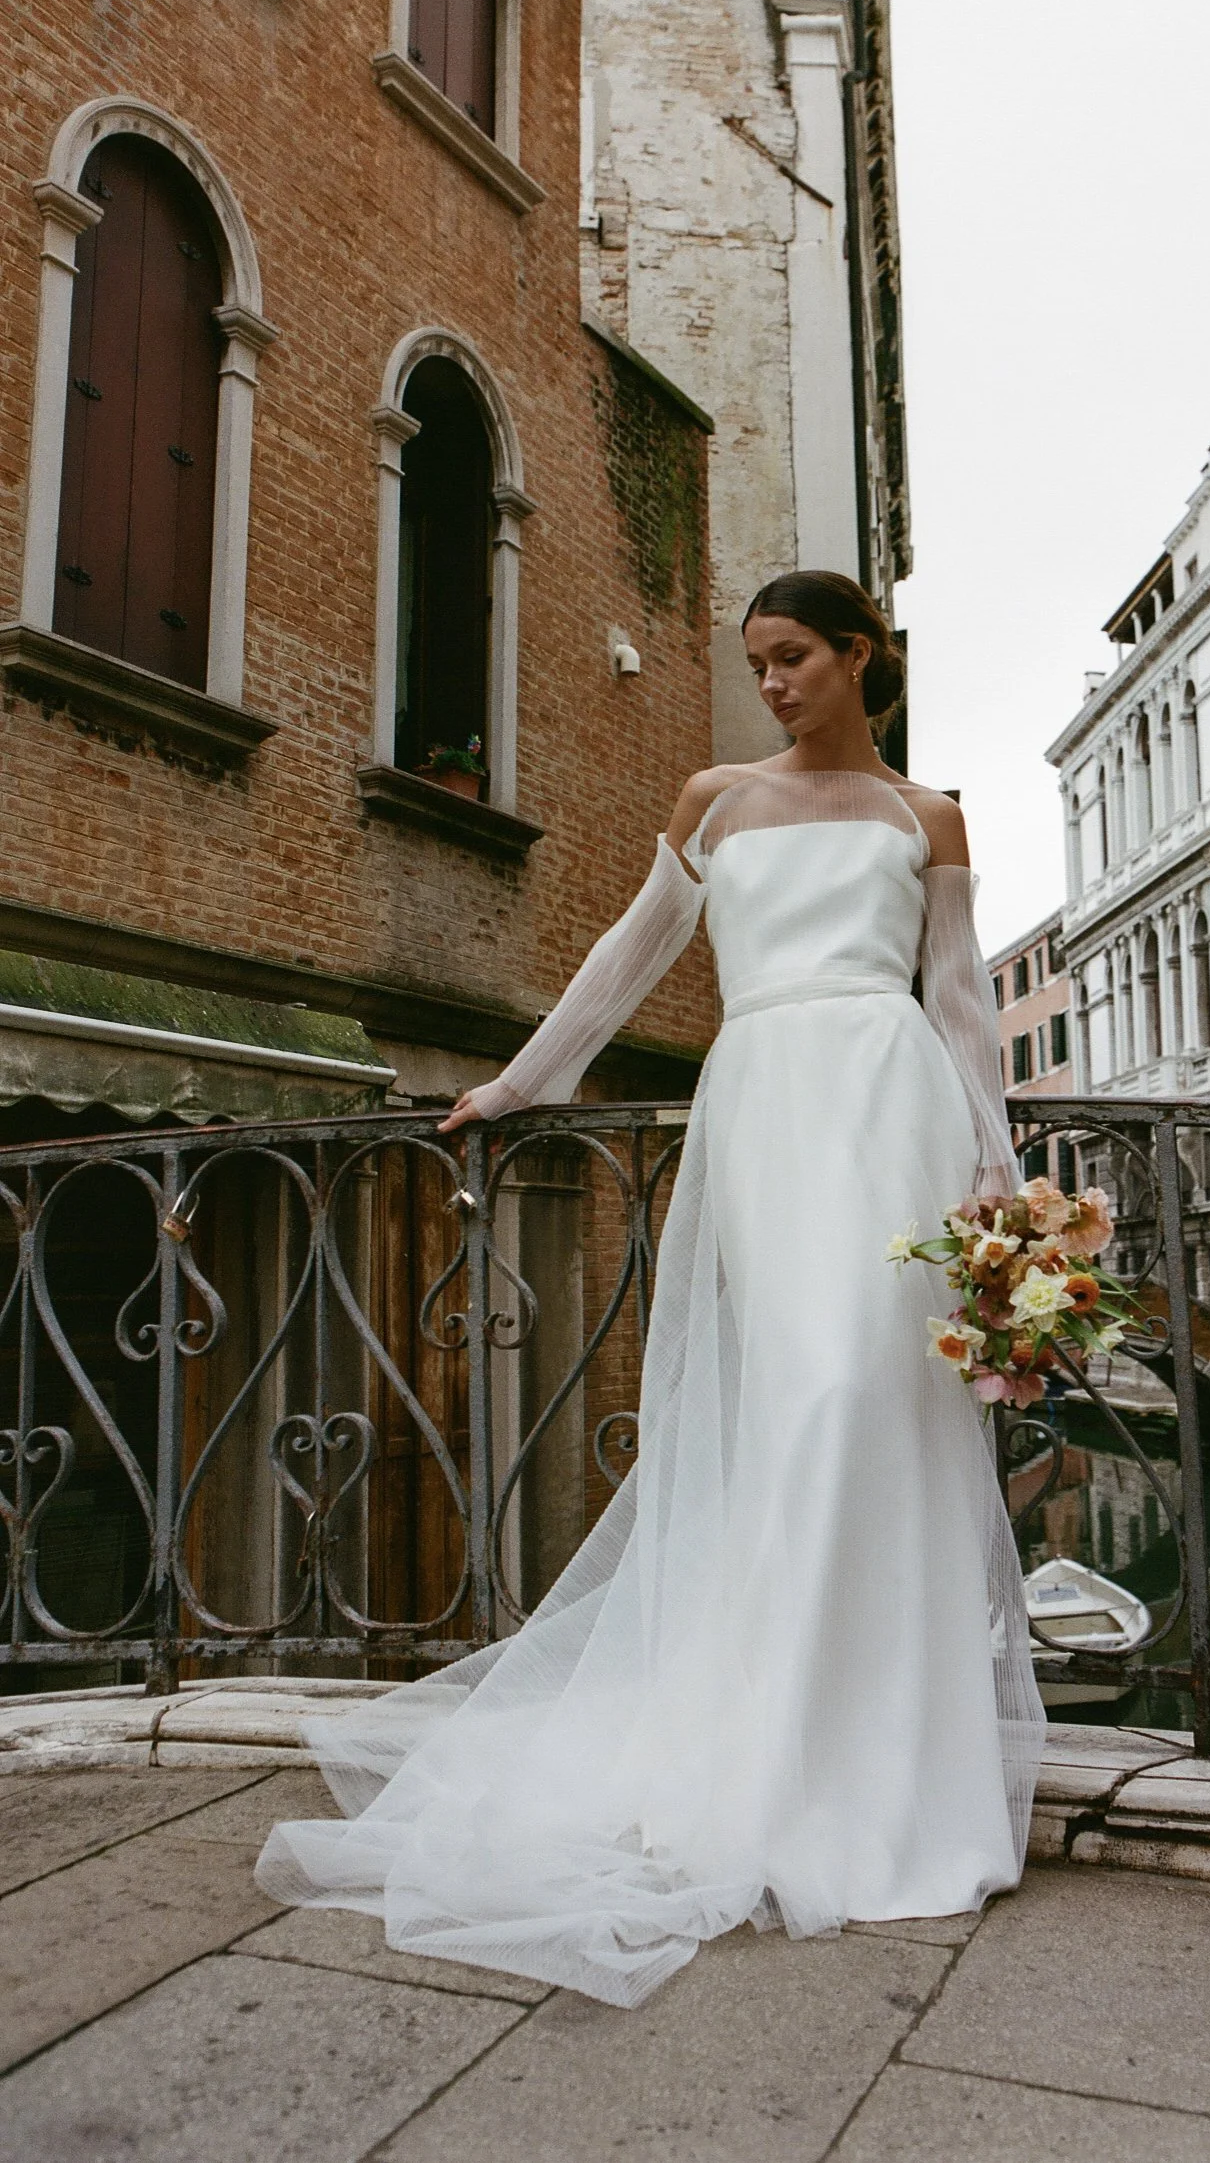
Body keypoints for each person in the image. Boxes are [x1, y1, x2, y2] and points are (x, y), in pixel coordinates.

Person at [256, 572, 1044, 2006]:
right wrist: (518, 1081)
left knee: (882, 1407)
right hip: (769, 1109)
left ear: (862, 655)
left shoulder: (927, 816)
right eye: (758, 663)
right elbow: (633, 953)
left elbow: (960, 1000)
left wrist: (996, 1176)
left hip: (891, 1110)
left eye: (796, 657)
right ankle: (771, 1754)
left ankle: (884, 1764)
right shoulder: (715, 799)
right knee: (801, 1394)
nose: (774, 685)